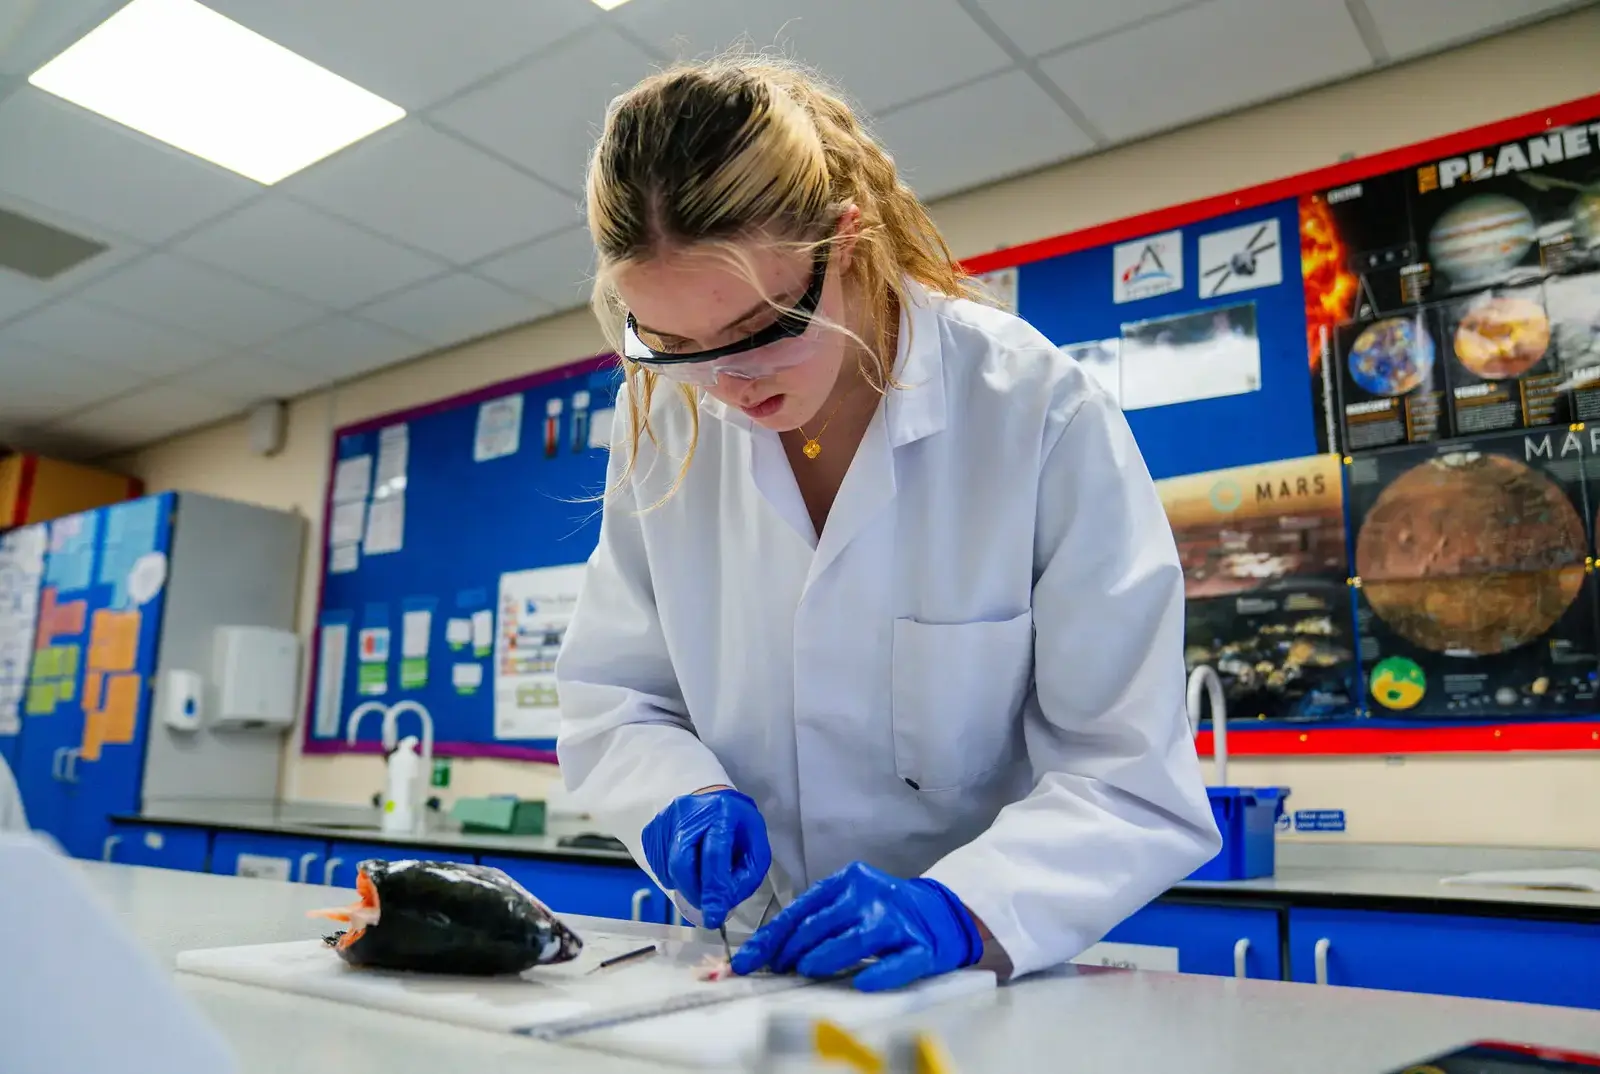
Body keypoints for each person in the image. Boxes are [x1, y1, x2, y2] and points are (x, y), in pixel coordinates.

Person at [555, 55, 1222, 992]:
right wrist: (679, 794)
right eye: (673, 346)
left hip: (971, 974)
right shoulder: (670, 425)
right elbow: (615, 696)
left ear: (849, 238)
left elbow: (1127, 772)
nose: (728, 386)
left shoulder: (1032, 410)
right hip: (743, 972)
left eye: (761, 326)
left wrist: (961, 910)